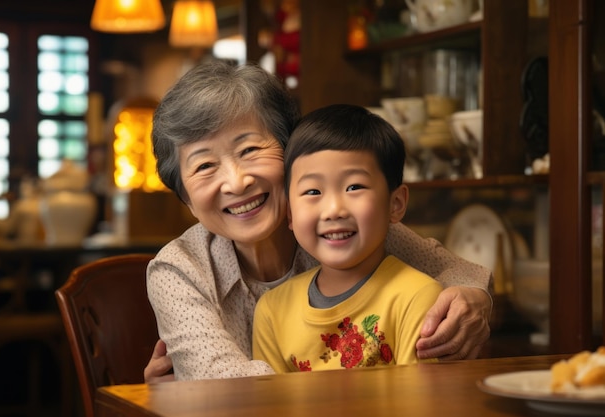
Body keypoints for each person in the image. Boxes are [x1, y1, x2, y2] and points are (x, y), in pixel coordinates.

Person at [145, 59, 492, 382]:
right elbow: (229, 390)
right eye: (204, 166)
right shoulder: (178, 270)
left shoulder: (337, 229)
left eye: (249, 150)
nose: (237, 182)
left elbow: (456, 272)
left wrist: (473, 298)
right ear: (186, 199)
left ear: (291, 154)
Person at [252, 104, 444, 372]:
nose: (333, 210)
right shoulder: (272, 310)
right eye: (312, 191)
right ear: (290, 214)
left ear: (396, 204)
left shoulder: (418, 297)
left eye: (354, 187)